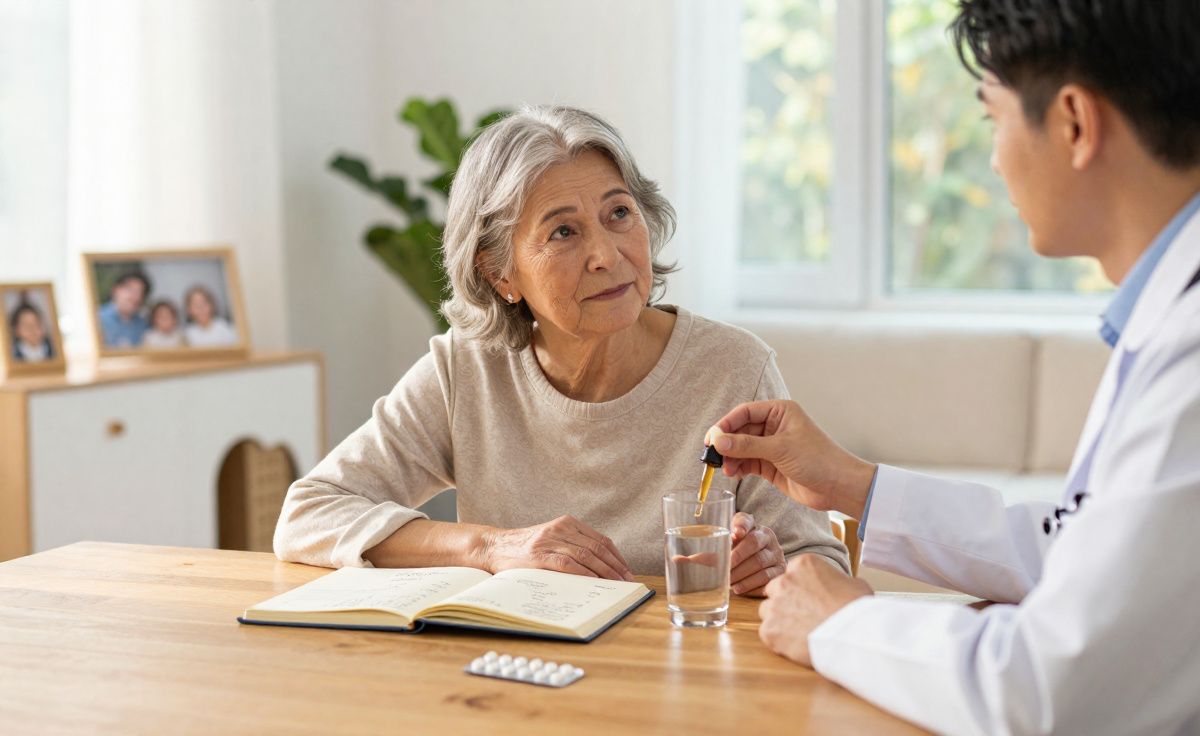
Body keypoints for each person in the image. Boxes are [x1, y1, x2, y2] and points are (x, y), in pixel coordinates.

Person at [707, 1, 1200, 733]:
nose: (993, 158)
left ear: (1074, 124)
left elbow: (1059, 690)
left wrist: (841, 624)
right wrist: (853, 484)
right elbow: (1083, 546)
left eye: (992, 116)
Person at [273, 106, 849, 587]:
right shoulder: (466, 369)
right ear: (501, 273)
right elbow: (309, 513)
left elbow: (822, 566)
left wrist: (772, 569)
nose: (606, 253)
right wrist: (490, 547)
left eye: (619, 213)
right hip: (512, 681)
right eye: (564, 232)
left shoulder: (734, 369)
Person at [97, 272, 150, 348]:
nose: (135, 297)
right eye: (130, 289)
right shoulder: (96, 318)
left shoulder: (144, 324)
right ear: (115, 290)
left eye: (140, 292)